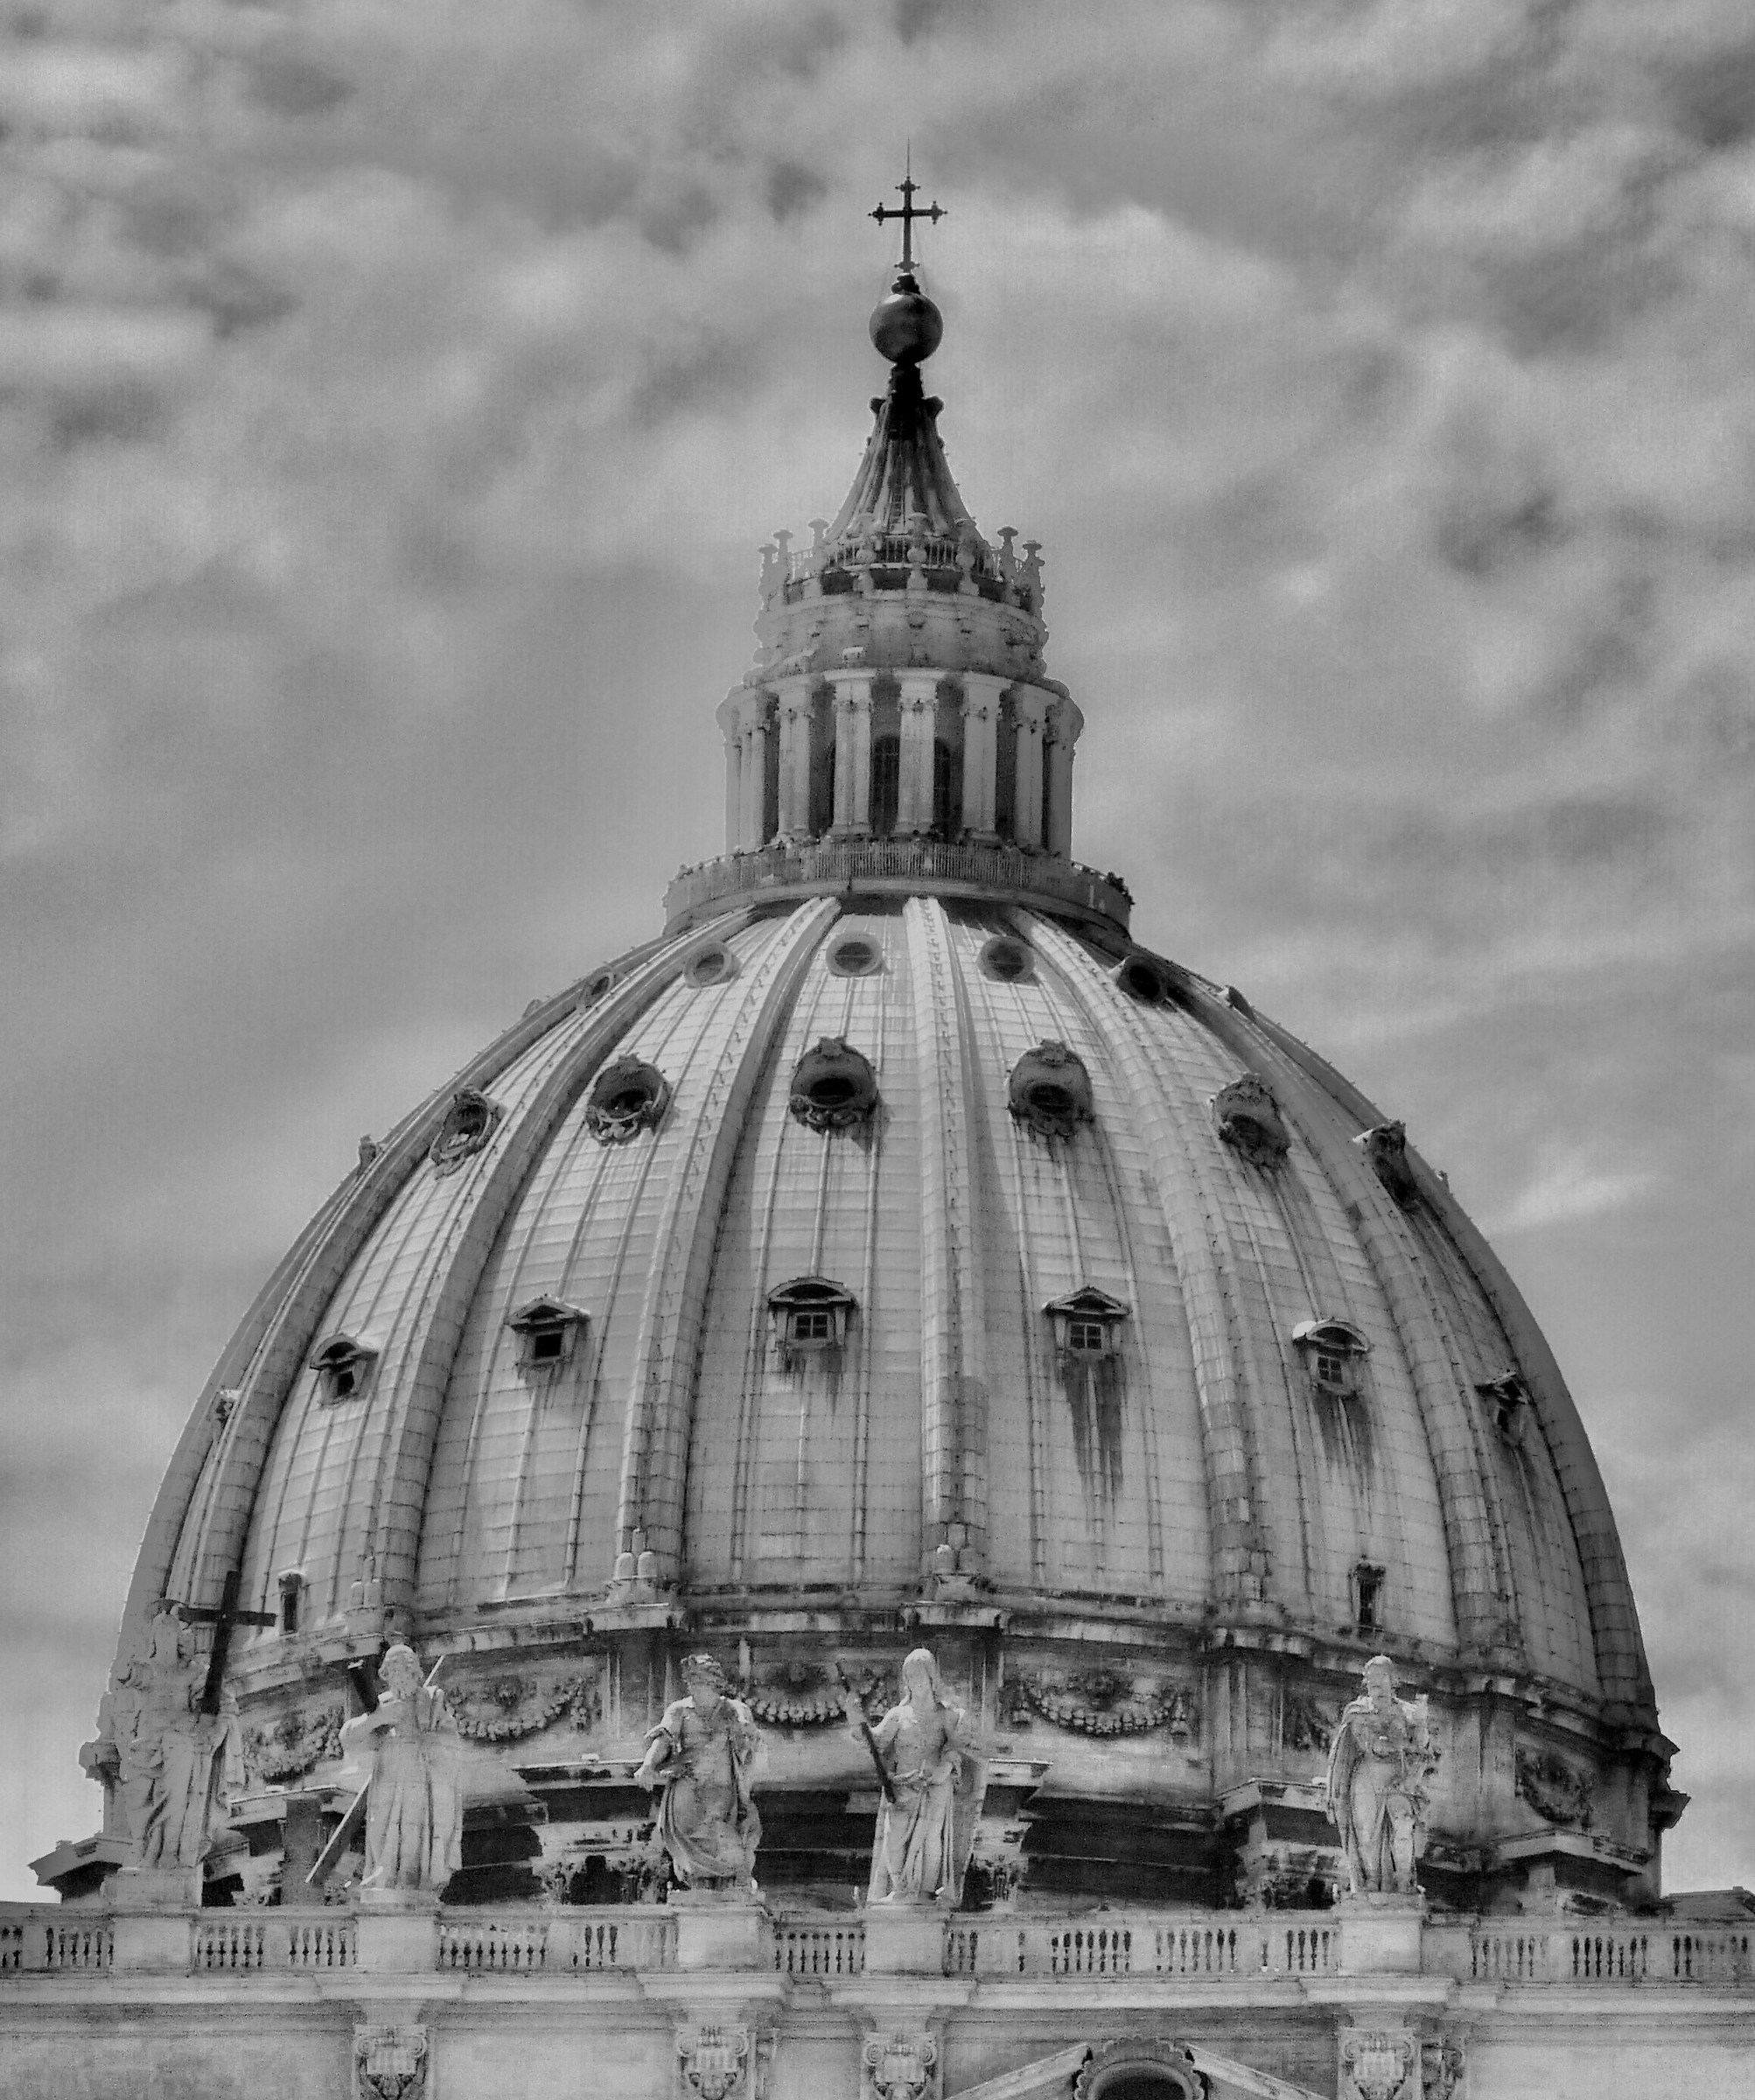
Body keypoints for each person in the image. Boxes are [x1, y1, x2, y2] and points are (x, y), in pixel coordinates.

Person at [849, 1648, 978, 1906]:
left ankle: (925, 1893)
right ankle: (900, 1889)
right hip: (903, 1785)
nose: (914, 1683)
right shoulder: (898, 1715)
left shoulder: (948, 1715)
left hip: (935, 1783)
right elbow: (875, 1741)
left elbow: (957, 1747)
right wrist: (856, 1718)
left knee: (931, 1835)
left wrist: (945, 1767)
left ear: (931, 1679)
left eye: (919, 1677)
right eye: (909, 1678)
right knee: (893, 1840)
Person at [339, 1644, 465, 1893]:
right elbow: (348, 1737)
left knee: (414, 1828)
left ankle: (409, 1880)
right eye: (393, 1669)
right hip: (388, 1771)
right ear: (386, 1674)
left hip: (420, 1772)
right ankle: (383, 1875)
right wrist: (377, 1718)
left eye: (405, 1669)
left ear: (415, 1671)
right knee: (382, 1827)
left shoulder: (432, 1700)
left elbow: (452, 1740)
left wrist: (430, 1742)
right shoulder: (382, 1703)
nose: (399, 1675)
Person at [114, 1606, 233, 1870]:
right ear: (153, 1637)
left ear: (179, 1637)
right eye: (161, 1631)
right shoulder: (147, 1669)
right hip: (145, 1746)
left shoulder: (192, 1672)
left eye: (171, 1631)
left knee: (175, 1799)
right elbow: (126, 1673)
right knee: (138, 1795)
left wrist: (209, 1725)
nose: (166, 1637)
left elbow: (215, 1701)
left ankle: (167, 1850)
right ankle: (143, 1847)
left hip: (178, 1743)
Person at [636, 1655, 764, 1889]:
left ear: (714, 1683)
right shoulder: (679, 1709)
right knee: (687, 1833)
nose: (694, 1685)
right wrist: (648, 1765)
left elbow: (749, 1740)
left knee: (719, 1832)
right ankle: (699, 1878)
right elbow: (664, 1740)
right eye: (691, 1681)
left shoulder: (734, 1709)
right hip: (687, 1780)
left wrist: (744, 1736)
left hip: (720, 1783)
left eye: (699, 1680)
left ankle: (730, 1874)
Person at [1325, 1655, 1435, 1896]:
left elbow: (1423, 1747)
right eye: (1371, 1679)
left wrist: (1422, 1723)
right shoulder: (1357, 1711)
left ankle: (1401, 1882)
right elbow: (1369, 1744)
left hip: (1399, 1780)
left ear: (1392, 1680)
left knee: (1401, 1830)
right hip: (1366, 1776)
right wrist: (1399, 1745)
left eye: (1381, 1677)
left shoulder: (1408, 1712)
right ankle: (1372, 1880)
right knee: (1365, 1831)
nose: (1376, 1683)